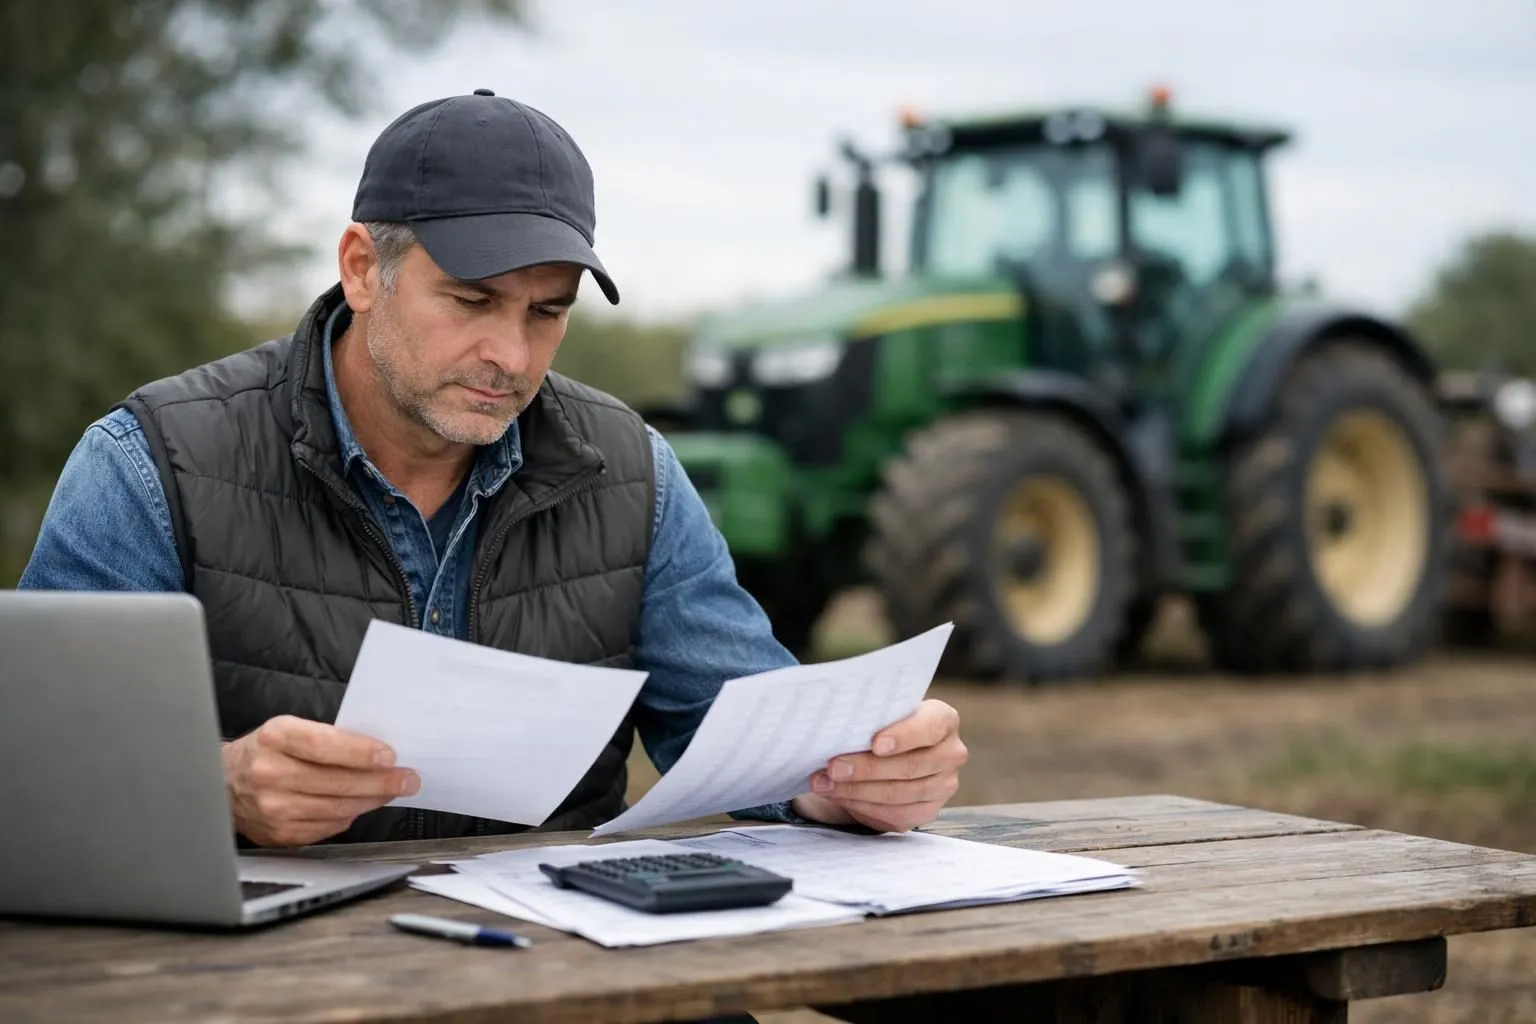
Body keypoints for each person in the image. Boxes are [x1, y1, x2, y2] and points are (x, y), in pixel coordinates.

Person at [18, 89, 968, 850]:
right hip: (268, 989)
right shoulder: (153, 464)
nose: (510, 355)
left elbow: (755, 739)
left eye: (545, 313)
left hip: (567, 973)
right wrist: (209, 787)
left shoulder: (631, 471)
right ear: (361, 267)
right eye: (471, 300)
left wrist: (854, 779)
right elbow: (34, 770)